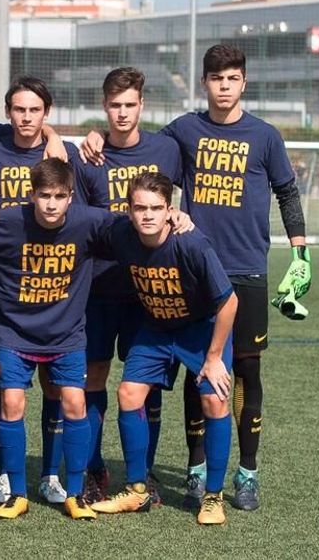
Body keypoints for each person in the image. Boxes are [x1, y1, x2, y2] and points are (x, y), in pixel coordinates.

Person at [81, 44, 311, 511]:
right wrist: (95, 135)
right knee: (195, 374)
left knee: (243, 370)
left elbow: (287, 192)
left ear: (244, 82)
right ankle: (197, 467)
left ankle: (247, 472)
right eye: (216, 78)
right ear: (204, 82)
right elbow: (134, 139)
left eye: (232, 78)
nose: (224, 86)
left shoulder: (265, 136)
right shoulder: (184, 131)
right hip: (188, 267)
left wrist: (300, 253)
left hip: (245, 267)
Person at [0, 158, 116, 520]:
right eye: (44, 195)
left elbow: (133, 225)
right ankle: (16, 493)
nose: (51, 204)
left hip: (66, 334)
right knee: (11, 403)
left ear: (71, 196)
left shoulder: (89, 221)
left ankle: (75, 493)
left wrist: (177, 217)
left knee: (75, 404)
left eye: (59, 196)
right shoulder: (8, 221)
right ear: (31, 194)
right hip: (14, 333)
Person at [90, 172, 236, 526]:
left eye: (156, 208)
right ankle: (137, 489)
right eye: (140, 208)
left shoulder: (191, 243)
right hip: (156, 327)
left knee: (215, 399)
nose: (148, 215)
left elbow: (229, 302)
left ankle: (213, 496)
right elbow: (80, 220)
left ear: (170, 210)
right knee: (128, 394)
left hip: (200, 330)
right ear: (128, 210)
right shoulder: (121, 233)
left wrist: (214, 357)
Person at [73, 67, 183, 505]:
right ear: (104, 106)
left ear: (142, 105)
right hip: (99, 288)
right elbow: (80, 224)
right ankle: (93, 469)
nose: (122, 112)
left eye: (130, 104)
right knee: (94, 378)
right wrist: (92, 136)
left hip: (150, 292)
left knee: (144, 385)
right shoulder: (88, 158)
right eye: (115, 105)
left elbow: (188, 198)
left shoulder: (166, 149)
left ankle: (143, 473)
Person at [0, 76, 79, 507]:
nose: (26, 117)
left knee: (55, 388)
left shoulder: (63, 153)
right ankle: (7, 474)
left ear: (46, 113)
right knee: (7, 389)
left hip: (55, 290)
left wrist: (57, 139)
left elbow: (80, 210)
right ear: (7, 113)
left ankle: (51, 474)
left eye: (35, 110)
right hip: (7, 292)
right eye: (19, 109)